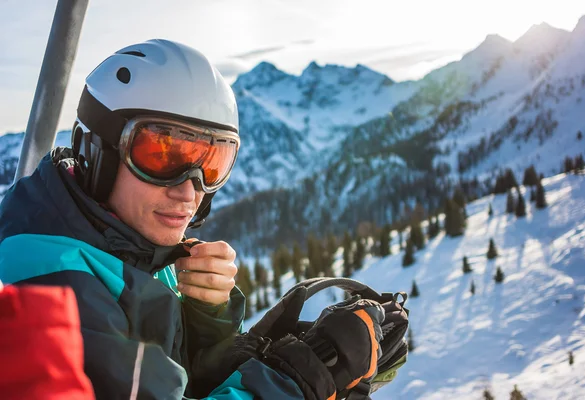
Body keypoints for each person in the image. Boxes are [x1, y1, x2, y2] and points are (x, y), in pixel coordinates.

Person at [0, 39, 386, 399]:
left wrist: (206, 316)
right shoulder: (50, 283)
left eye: (212, 164)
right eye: (161, 155)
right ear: (95, 151)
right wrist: (300, 381)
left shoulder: (125, 239)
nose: (190, 191)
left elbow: (175, 377)